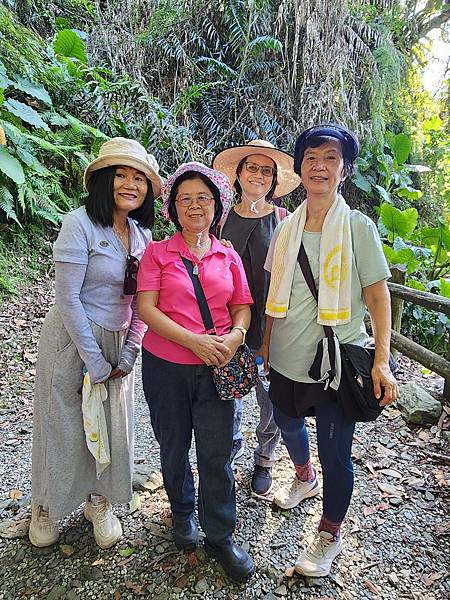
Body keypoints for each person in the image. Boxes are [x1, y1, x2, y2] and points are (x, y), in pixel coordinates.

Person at [262, 123, 399, 577]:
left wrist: (381, 359)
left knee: (335, 450)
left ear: (343, 169)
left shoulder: (358, 227)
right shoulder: (286, 227)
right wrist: (263, 345)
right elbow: (273, 291)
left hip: (337, 361)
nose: (320, 167)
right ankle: (303, 477)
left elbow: (379, 298)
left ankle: (329, 531)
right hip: (285, 355)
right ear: (300, 168)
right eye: (311, 159)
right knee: (286, 422)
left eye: (331, 159)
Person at [29, 138, 163, 549]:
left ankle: (98, 501)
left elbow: (144, 301)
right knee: (63, 423)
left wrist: (129, 350)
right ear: (104, 180)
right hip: (72, 338)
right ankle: (46, 506)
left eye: (139, 178)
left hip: (118, 339)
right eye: (121, 174)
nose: (130, 184)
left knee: (111, 424)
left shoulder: (142, 234)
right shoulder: (79, 224)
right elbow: (67, 297)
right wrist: (93, 358)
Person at [137, 162, 255, 582]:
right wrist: (194, 341)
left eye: (202, 197)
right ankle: (183, 513)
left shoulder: (229, 255)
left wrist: (237, 335)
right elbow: (145, 308)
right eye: (184, 198)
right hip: (166, 367)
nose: (194, 205)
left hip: (218, 367)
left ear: (217, 205)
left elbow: (242, 305)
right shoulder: (157, 253)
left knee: (217, 452)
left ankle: (221, 535)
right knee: (173, 445)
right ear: (171, 207)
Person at [212, 140, 301, 495]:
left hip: (271, 324)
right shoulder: (219, 219)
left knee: (271, 399)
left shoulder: (285, 221)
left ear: (275, 180)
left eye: (267, 171)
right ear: (238, 173)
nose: (259, 176)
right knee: (228, 395)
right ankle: (229, 457)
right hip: (227, 324)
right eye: (253, 168)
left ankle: (265, 458)